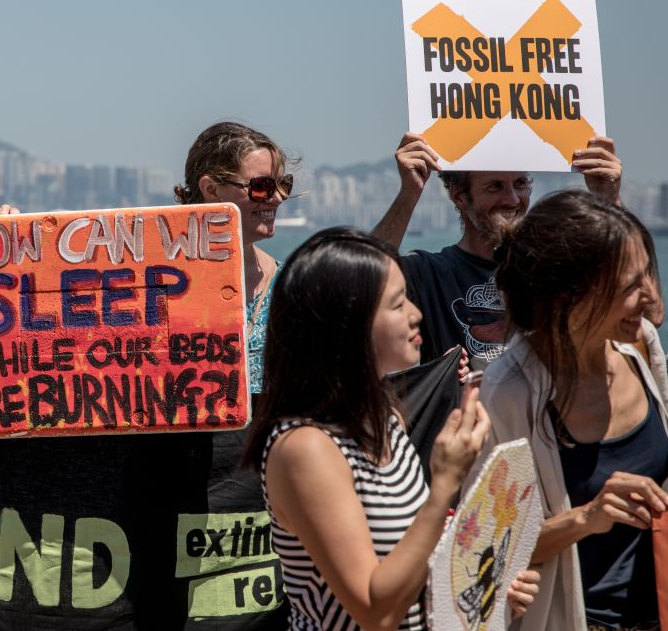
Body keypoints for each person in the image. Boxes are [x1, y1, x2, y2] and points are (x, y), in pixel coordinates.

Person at [244, 227, 537, 629]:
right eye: (398, 304)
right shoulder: (306, 448)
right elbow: (374, 610)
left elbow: (410, 563)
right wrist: (446, 481)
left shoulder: (383, 418)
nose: (416, 314)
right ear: (348, 323)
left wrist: (485, 587)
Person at [481, 189, 667, 629]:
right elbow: (490, 549)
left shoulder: (639, 346)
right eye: (629, 286)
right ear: (568, 298)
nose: (649, 297)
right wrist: (587, 517)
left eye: (648, 275)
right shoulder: (511, 391)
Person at [372, 131, 625, 370]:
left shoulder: (557, 270)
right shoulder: (430, 273)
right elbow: (361, 283)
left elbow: (644, 305)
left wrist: (609, 200)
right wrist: (409, 192)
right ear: (459, 197)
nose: (513, 199)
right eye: (495, 186)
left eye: (520, 183)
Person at [173, 121, 293, 393]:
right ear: (211, 189)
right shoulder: (157, 286)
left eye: (283, 184)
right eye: (262, 186)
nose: (278, 198)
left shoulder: (291, 287)